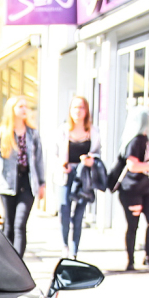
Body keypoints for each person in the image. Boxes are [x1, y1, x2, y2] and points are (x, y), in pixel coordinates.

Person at [0, 95, 46, 257]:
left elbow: (39, 159)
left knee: (20, 224)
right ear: (12, 110)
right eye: (21, 106)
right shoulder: (2, 133)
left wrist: (42, 183)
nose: (24, 109)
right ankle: (7, 260)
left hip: (28, 182)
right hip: (8, 183)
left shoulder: (33, 134)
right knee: (9, 225)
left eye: (26, 106)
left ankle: (18, 262)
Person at [117, 107, 149, 271]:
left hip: (148, 188)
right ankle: (130, 261)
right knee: (133, 225)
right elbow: (132, 165)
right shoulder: (135, 141)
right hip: (132, 189)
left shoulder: (146, 140)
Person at [57, 96, 100, 259]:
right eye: (75, 107)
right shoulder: (63, 130)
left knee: (79, 214)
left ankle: (74, 251)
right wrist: (61, 163)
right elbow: (54, 153)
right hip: (66, 175)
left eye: (81, 107)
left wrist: (91, 160)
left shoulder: (93, 131)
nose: (78, 111)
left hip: (84, 176)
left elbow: (97, 153)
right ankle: (65, 246)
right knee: (65, 210)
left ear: (86, 110)